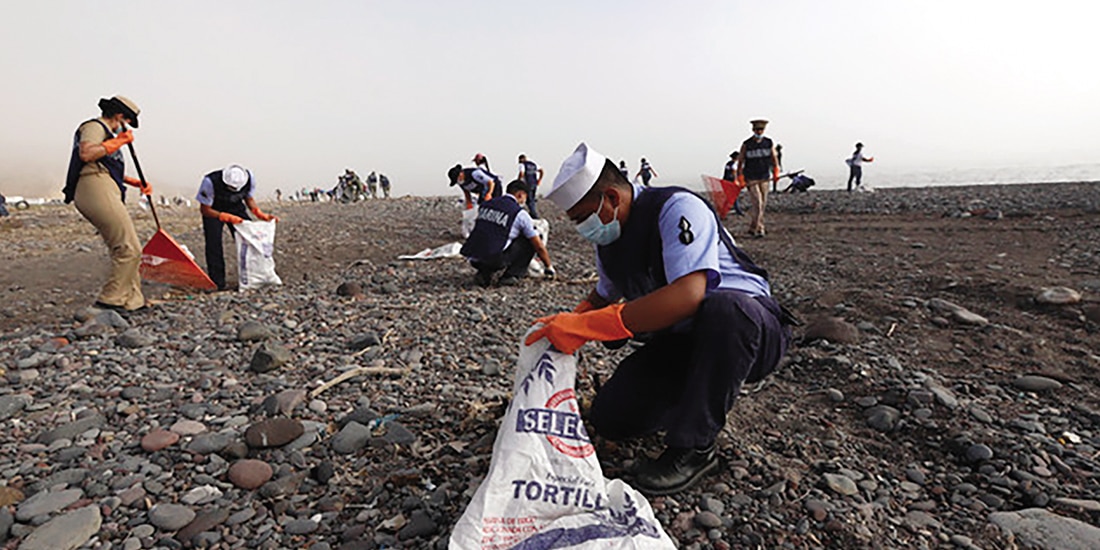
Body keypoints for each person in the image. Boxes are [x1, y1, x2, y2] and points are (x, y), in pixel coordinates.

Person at [528, 143, 792, 495]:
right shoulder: (610, 240)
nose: (582, 229)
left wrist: (592, 326)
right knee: (612, 418)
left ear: (610, 197)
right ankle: (697, 396)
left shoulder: (676, 208)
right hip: (683, 341)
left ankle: (695, 447)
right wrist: (566, 325)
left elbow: (689, 295)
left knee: (725, 309)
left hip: (748, 331)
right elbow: (603, 295)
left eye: (582, 218)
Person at [62, 95, 152, 313]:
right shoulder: (94, 126)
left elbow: (107, 165)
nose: (128, 127)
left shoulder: (108, 135)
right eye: (128, 122)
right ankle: (110, 300)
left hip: (105, 184)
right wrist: (120, 141)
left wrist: (134, 182)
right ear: (120, 117)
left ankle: (133, 300)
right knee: (129, 247)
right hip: (93, 186)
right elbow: (87, 154)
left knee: (123, 245)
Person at [196, 164, 278, 291]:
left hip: (236, 208)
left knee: (251, 239)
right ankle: (217, 282)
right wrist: (224, 216)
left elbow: (248, 198)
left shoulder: (249, 178)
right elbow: (205, 210)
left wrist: (258, 213)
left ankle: (255, 276)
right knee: (214, 245)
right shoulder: (210, 182)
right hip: (214, 210)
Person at [461, 179, 555, 287]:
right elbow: (539, 246)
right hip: (494, 259)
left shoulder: (487, 204)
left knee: (493, 233)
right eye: (525, 197)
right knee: (529, 241)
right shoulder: (519, 213)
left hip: (473, 257)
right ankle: (511, 276)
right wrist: (549, 267)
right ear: (520, 194)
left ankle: (484, 273)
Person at [736, 119, 780, 238]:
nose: (759, 132)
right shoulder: (747, 144)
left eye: (761, 130)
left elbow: (774, 157)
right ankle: (759, 228)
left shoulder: (768, 142)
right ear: (753, 130)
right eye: (757, 130)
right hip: (751, 177)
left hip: (765, 176)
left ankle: (754, 227)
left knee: (763, 203)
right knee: (758, 203)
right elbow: (740, 161)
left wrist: (776, 171)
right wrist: (740, 176)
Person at [517, 154, 544, 218]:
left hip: (527, 184)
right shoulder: (533, 164)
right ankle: (532, 212)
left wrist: (518, 181)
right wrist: (539, 180)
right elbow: (541, 170)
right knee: (532, 199)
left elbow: (521, 173)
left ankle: (534, 215)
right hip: (534, 183)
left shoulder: (522, 165)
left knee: (529, 200)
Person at [722, 151, 746, 216]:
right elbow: (734, 173)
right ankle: (738, 211)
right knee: (734, 197)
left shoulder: (728, 164)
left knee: (729, 197)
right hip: (731, 182)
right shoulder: (734, 164)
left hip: (726, 181)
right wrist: (736, 181)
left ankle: (724, 210)